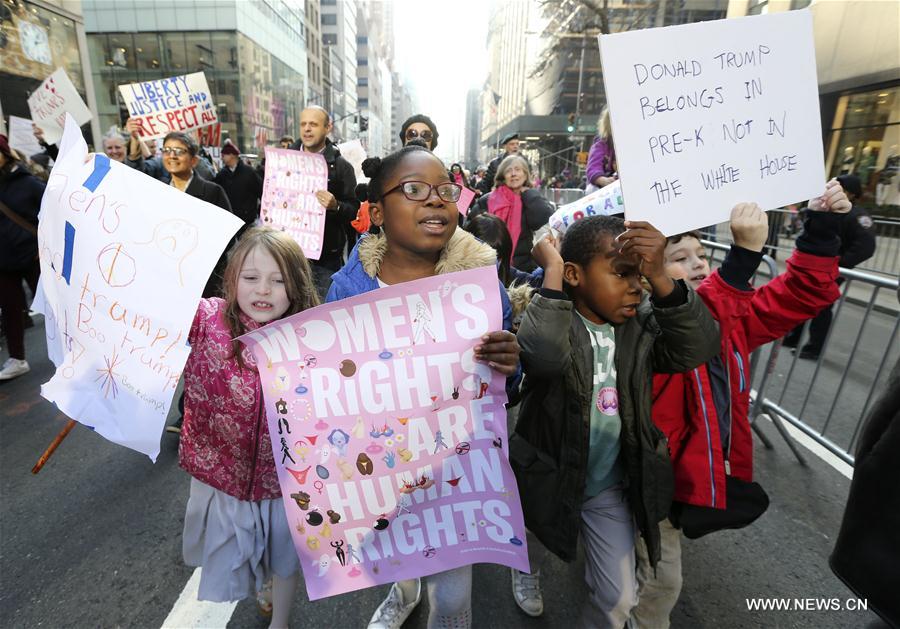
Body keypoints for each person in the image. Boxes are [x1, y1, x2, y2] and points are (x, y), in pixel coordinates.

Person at [632, 182, 850, 628]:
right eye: (680, 258)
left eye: (701, 255)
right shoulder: (639, 323)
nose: (697, 265)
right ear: (645, 274)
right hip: (645, 481)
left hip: (689, 480)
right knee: (659, 584)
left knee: (645, 575)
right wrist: (741, 262)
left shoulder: (731, 316)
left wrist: (821, 229)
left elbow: (799, 294)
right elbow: (693, 326)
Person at [327, 145, 521, 629]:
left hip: (454, 474)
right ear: (375, 212)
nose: (436, 201)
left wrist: (511, 364)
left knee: (453, 601)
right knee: (400, 558)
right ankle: (402, 592)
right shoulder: (347, 290)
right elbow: (327, 387)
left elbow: (506, 387)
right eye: (413, 190)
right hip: (384, 472)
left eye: (445, 191)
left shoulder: (481, 288)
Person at [511, 216, 719, 625]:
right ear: (574, 274)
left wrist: (660, 273)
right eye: (621, 273)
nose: (635, 286)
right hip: (547, 471)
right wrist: (551, 273)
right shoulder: (554, 316)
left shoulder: (641, 324)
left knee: (619, 597)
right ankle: (526, 571)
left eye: (638, 274)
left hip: (608, 486)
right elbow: (543, 358)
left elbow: (697, 346)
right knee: (533, 534)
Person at [179, 226, 318, 629]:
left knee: (286, 557)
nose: (263, 290)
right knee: (245, 551)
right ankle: (262, 582)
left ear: (296, 286)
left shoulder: (311, 337)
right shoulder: (207, 320)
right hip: (223, 476)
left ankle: (282, 621)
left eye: (278, 280)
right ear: (232, 277)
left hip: (285, 482)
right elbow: (157, 317)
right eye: (251, 277)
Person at [161, 131, 234, 436]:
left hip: (205, 285)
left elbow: (230, 233)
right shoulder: (156, 193)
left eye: (179, 151)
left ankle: (189, 412)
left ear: (193, 159)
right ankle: (190, 408)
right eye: (167, 150)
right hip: (168, 286)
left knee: (202, 351)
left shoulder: (211, 191)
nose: (172, 155)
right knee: (175, 354)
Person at [782, 174, 876, 359]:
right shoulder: (833, 210)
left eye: (841, 188)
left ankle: (813, 348)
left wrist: (839, 263)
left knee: (822, 308)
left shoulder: (858, 216)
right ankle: (794, 337)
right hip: (821, 266)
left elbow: (866, 247)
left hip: (832, 269)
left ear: (850, 194)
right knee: (804, 299)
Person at [289, 106, 359, 298]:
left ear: (328, 127)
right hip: (288, 253)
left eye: (313, 124)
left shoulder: (342, 167)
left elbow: (354, 210)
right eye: (303, 124)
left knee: (322, 311)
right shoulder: (284, 161)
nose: (307, 129)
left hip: (325, 258)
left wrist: (336, 206)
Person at [0, 135, 45, 380]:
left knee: (53, 308)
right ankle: (17, 359)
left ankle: (75, 354)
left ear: (5, 154)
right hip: (4, 261)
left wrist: (46, 244)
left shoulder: (27, 182)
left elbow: (54, 210)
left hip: (33, 257)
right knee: (10, 311)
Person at [467, 155, 554, 273]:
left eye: (518, 170)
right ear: (503, 175)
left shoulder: (529, 199)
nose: (513, 174)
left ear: (525, 174)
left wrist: (529, 194)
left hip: (522, 269)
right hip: (487, 267)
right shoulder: (487, 200)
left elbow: (542, 218)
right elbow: (469, 231)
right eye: (509, 170)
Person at [215, 140, 263, 227]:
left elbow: (261, 192)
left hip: (247, 220)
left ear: (232, 155)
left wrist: (260, 212)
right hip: (229, 219)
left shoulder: (249, 172)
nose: (222, 158)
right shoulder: (221, 175)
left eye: (224, 155)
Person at [585, 107, 617, 193]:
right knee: (591, 189)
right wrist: (602, 180)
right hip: (603, 189)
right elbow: (593, 168)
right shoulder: (600, 146)